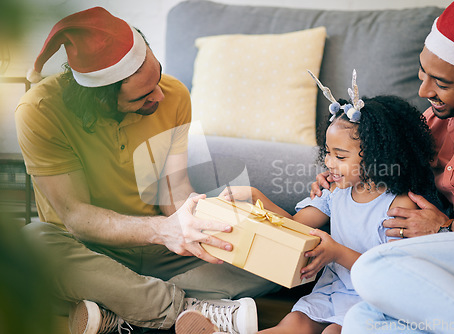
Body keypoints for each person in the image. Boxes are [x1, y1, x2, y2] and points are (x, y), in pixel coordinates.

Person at [15, 7, 278, 334]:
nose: (161, 94)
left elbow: (173, 186)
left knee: (272, 257)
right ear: (98, 100)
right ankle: (189, 309)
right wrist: (162, 230)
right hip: (90, 254)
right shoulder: (39, 111)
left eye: (158, 77)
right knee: (30, 244)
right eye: (143, 95)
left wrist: (198, 221)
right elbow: (76, 216)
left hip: (163, 253)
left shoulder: (175, 95)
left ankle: (119, 311)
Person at [311, 0, 454, 332]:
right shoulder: (435, 120)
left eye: (441, 83)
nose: (423, 90)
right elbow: (385, 161)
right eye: (422, 72)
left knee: (372, 269)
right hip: (448, 254)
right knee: (360, 319)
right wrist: (338, 176)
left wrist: (447, 227)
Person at [216, 70, 440, 334]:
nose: (329, 163)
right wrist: (256, 197)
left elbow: (391, 276)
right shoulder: (335, 191)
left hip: (374, 299)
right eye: (327, 153)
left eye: (341, 157)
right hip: (334, 289)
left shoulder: (400, 206)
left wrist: (336, 252)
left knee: (333, 331)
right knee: (293, 324)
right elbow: (295, 226)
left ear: (378, 157)